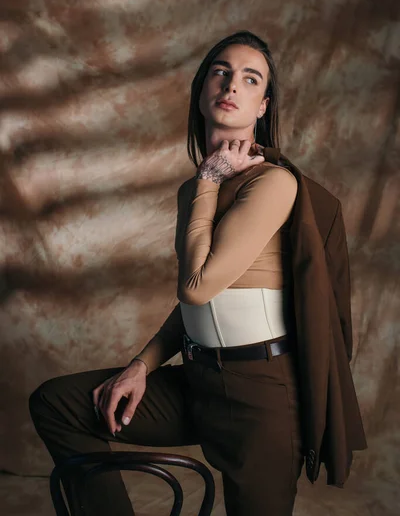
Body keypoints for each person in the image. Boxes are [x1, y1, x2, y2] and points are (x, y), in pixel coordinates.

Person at [29, 30, 366, 516]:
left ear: (263, 106)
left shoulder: (272, 183)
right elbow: (202, 302)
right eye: (220, 72)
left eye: (250, 80)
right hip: (198, 381)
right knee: (58, 403)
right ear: (202, 89)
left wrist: (209, 180)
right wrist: (142, 366)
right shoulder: (195, 190)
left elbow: (196, 285)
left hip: (261, 397)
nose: (232, 85)